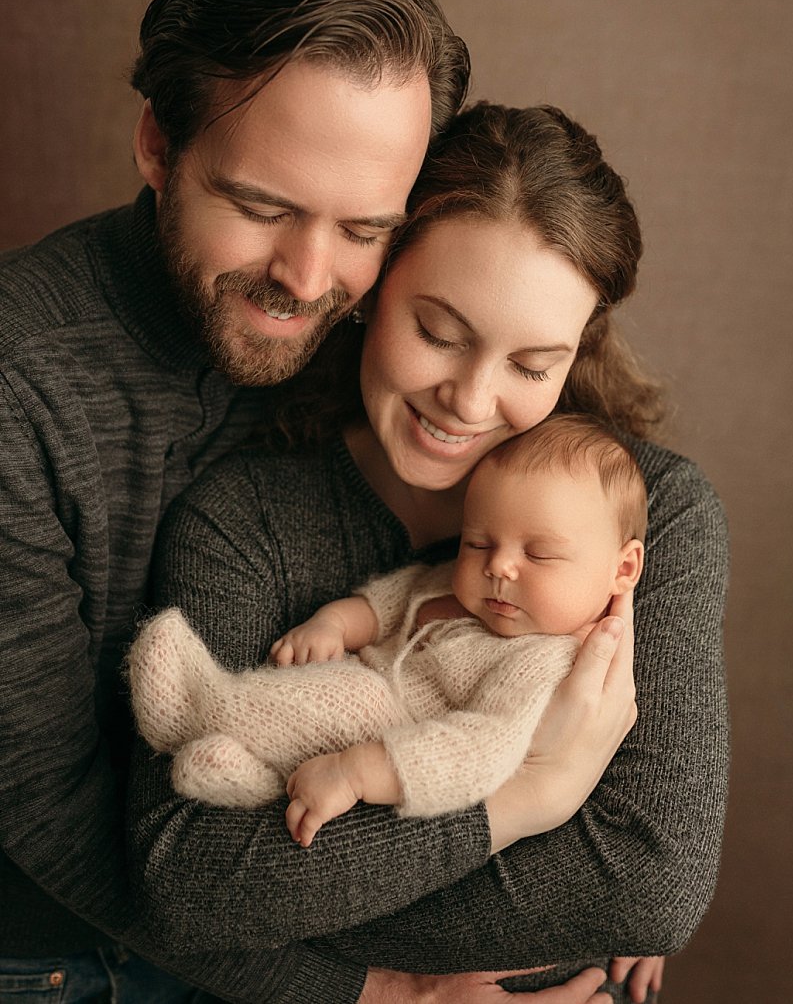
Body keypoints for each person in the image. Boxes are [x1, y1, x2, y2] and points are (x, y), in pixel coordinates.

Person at [127, 102, 729, 1004]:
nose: (469, 400)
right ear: (371, 283)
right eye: (438, 333)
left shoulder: (652, 515)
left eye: (532, 365)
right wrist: (534, 798)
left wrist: (285, 907)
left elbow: (649, 884)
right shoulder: (243, 522)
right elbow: (184, 883)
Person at [127, 413, 647, 848]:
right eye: (479, 544)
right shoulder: (453, 587)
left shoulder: (547, 661)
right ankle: (247, 775)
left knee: (332, 697)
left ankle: (204, 705)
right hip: (358, 702)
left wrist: (357, 772)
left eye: (539, 554)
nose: (499, 567)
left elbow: (481, 748)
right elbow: (381, 606)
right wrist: (331, 623)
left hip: (394, 732)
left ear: (623, 568)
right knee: (314, 696)